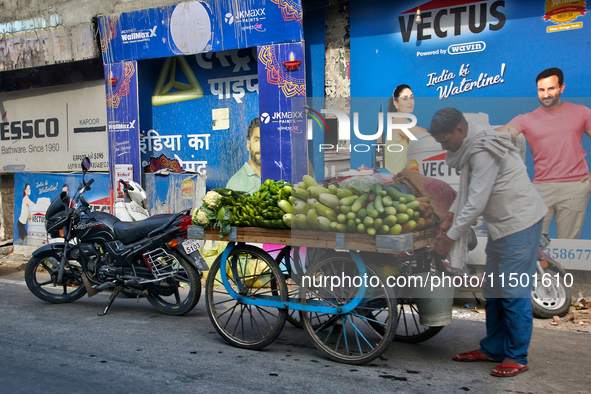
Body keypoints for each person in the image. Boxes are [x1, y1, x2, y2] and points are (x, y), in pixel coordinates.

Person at [430, 108, 547, 378]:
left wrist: (449, 239)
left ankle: (516, 356)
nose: (444, 147)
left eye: (446, 141)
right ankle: (494, 348)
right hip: (501, 226)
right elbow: (469, 190)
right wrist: (449, 218)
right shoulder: (472, 144)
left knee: (513, 293)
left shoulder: (482, 149)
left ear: (460, 130)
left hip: (519, 223)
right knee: (494, 291)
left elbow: (476, 202)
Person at [496, 67, 591, 239]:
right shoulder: (525, 119)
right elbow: (496, 135)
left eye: (551, 89)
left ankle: (564, 268)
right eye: (541, 90)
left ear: (561, 88)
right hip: (541, 187)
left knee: (567, 246)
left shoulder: (582, 112)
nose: (546, 94)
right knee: (532, 242)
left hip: (575, 186)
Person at [384, 84, 429, 174]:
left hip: (400, 178)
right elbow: (425, 137)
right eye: (405, 98)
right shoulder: (398, 122)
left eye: (411, 98)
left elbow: (423, 131)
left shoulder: (403, 122)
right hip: (395, 180)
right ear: (396, 104)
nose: (410, 102)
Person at [226, 117, 261, 194]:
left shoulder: (279, 174)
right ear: (248, 144)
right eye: (257, 140)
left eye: (266, 140)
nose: (261, 147)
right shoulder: (235, 184)